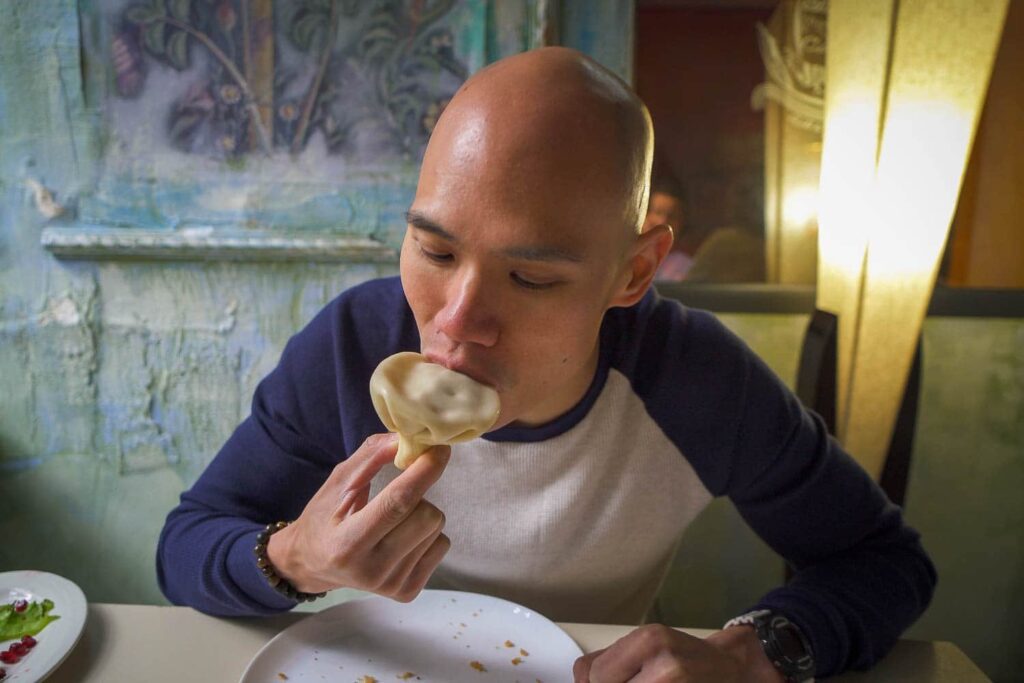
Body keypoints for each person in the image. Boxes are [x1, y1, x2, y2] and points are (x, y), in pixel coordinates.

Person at [157, 47, 935, 681]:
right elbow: (186, 544)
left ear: (634, 274)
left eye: (530, 278)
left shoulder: (696, 382)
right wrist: (296, 555)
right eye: (434, 249)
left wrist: (756, 649)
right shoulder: (353, 347)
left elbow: (884, 561)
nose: (456, 321)